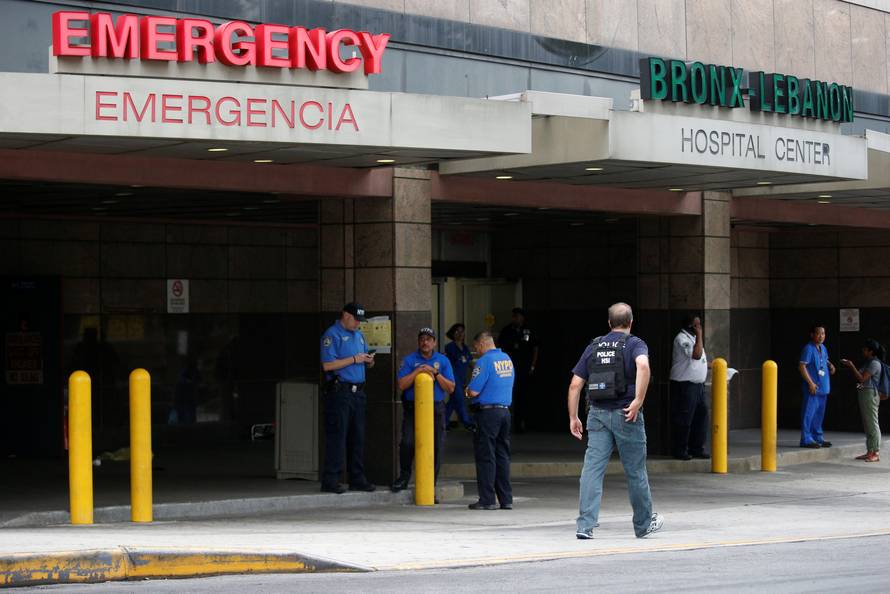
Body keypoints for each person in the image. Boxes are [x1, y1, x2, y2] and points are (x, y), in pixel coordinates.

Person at [567, 302, 663, 540]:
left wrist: (573, 417)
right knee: (635, 471)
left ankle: (585, 526)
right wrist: (639, 399)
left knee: (592, 470)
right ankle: (642, 525)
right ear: (631, 322)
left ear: (609, 323)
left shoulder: (595, 346)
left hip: (597, 414)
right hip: (626, 414)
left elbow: (575, 384)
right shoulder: (635, 344)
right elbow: (643, 365)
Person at [319, 302, 377, 494]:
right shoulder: (332, 335)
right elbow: (328, 365)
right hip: (340, 391)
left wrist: (369, 361)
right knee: (338, 435)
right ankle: (331, 479)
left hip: (358, 392)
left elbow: (364, 358)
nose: (358, 324)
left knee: (357, 437)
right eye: (356, 320)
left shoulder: (359, 336)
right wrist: (354, 359)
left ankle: (357, 478)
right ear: (346, 316)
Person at [391, 328, 455, 492]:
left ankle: (430, 485)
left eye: (428, 339)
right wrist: (418, 370)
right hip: (413, 408)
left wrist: (436, 373)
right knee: (407, 442)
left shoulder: (443, 360)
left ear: (434, 342)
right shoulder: (410, 360)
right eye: (422, 339)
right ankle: (404, 477)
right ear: (418, 342)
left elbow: (451, 388)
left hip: (436, 409)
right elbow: (402, 385)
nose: (425, 342)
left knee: (436, 446)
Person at [465, 331, 514, 510]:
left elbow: (474, 391)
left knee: (486, 456)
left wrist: (467, 391)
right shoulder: (506, 358)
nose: (475, 350)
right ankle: (506, 499)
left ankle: (487, 499)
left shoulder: (484, 361)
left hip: (487, 414)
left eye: (476, 347)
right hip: (504, 413)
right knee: (502, 455)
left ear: (482, 344)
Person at [669, 314, 710, 460]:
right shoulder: (682, 339)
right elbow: (696, 355)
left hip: (698, 386)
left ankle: (697, 447)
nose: (700, 327)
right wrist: (699, 335)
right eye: (697, 325)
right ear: (690, 326)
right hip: (685, 385)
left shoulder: (694, 339)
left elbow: (701, 360)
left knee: (701, 416)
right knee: (685, 418)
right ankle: (680, 449)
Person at [840, 339, 884, 463]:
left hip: (870, 394)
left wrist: (851, 365)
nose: (863, 351)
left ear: (871, 351)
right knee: (867, 424)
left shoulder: (874, 363)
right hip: (865, 393)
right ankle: (870, 451)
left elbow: (862, 378)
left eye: (865, 349)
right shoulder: (868, 362)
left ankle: (875, 452)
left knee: (873, 423)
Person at [498, 307, 539, 433]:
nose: (516, 319)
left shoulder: (529, 330)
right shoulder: (507, 330)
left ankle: (522, 423)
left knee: (523, 396)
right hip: (509, 368)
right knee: (508, 396)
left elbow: (535, 348)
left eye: (518, 316)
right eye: (514, 316)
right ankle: (508, 423)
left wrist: (532, 365)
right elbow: (501, 348)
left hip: (524, 368)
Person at [798, 325, 836, 449]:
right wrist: (810, 383)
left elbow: (825, 360)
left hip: (823, 387)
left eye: (823, 334)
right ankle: (806, 439)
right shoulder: (808, 349)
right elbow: (802, 366)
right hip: (813, 388)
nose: (821, 336)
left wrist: (831, 366)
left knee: (819, 414)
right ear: (812, 335)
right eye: (818, 334)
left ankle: (817, 437)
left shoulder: (823, 348)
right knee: (809, 414)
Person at [444, 323, 475, 432]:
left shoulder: (465, 347)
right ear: (453, 333)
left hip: (462, 378)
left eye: (462, 331)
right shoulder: (450, 347)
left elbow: (469, 361)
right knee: (460, 400)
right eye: (457, 331)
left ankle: (443, 422)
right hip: (453, 378)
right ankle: (468, 423)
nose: (460, 333)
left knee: (453, 402)